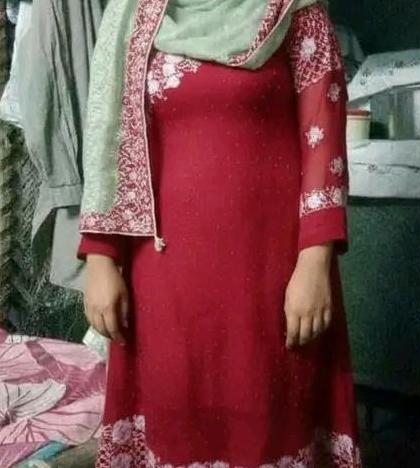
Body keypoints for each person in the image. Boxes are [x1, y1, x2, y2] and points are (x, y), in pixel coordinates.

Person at [78, 0, 361, 466]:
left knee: (269, 422)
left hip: (272, 273)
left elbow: (323, 140)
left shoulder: (297, 11)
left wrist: (315, 262)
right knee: (176, 421)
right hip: (164, 279)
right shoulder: (135, 14)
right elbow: (111, 141)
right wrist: (101, 256)